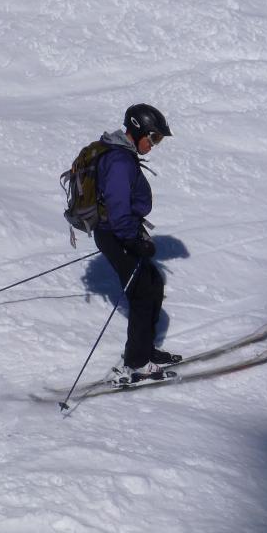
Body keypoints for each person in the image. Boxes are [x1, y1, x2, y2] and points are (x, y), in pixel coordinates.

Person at [94, 103, 180, 384]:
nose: (154, 145)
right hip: (117, 233)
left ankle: (145, 350)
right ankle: (137, 362)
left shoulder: (123, 156)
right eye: (153, 138)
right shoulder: (119, 162)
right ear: (138, 130)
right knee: (142, 292)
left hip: (121, 231)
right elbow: (118, 211)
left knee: (153, 283)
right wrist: (134, 242)